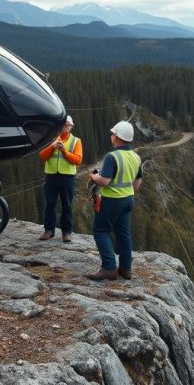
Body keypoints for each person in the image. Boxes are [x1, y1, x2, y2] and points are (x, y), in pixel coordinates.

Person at [86, 120, 143, 281]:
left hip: (111, 200)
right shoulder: (136, 156)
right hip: (128, 199)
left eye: (113, 134)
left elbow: (104, 181)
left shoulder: (112, 157)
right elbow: (137, 184)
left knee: (101, 231)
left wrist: (93, 176)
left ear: (117, 137)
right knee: (123, 233)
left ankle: (109, 267)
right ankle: (126, 269)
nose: (111, 136)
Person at [37, 115, 83, 242]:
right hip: (51, 176)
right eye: (63, 124)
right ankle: (48, 231)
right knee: (50, 204)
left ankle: (66, 232)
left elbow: (78, 160)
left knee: (67, 205)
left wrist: (64, 151)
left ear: (71, 127)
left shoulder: (76, 141)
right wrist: (52, 147)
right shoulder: (50, 139)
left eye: (67, 124)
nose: (65, 126)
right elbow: (41, 156)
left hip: (67, 177)